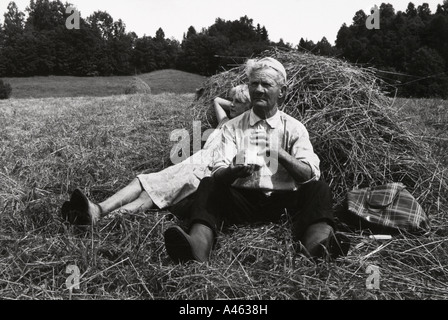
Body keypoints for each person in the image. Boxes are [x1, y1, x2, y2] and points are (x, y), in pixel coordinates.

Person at [163, 57, 349, 263]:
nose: (259, 89)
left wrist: (279, 153)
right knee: (209, 184)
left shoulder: (294, 128)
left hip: (284, 203)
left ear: (282, 92)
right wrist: (233, 170)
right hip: (242, 200)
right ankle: (198, 246)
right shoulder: (232, 127)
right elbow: (218, 171)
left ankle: (318, 247)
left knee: (319, 188)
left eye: (267, 84)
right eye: (254, 84)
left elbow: (309, 174)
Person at [61, 84, 252, 226]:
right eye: (232, 100)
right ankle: (97, 209)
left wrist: (249, 109)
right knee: (142, 181)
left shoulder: (244, 132)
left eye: (238, 102)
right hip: (189, 164)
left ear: (250, 107)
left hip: (202, 172)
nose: (232, 105)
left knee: (152, 195)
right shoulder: (225, 123)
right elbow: (217, 101)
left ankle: (101, 221)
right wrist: (240, 100)